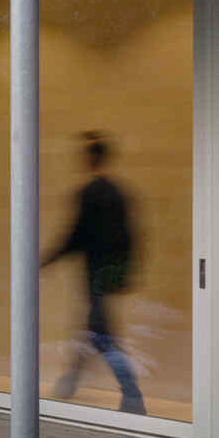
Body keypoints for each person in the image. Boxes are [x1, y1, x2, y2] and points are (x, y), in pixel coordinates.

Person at [43, 131, 145, 415]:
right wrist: (124, 274)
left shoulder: (89, 193)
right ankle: (69, 383)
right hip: (109, 274)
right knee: (91, 328)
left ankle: (132, 394)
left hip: (94, 274)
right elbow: (131, 237)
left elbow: (75, 236)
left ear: (90, 158)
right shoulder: (120, 193)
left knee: (100, 335)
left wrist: (47, 260)